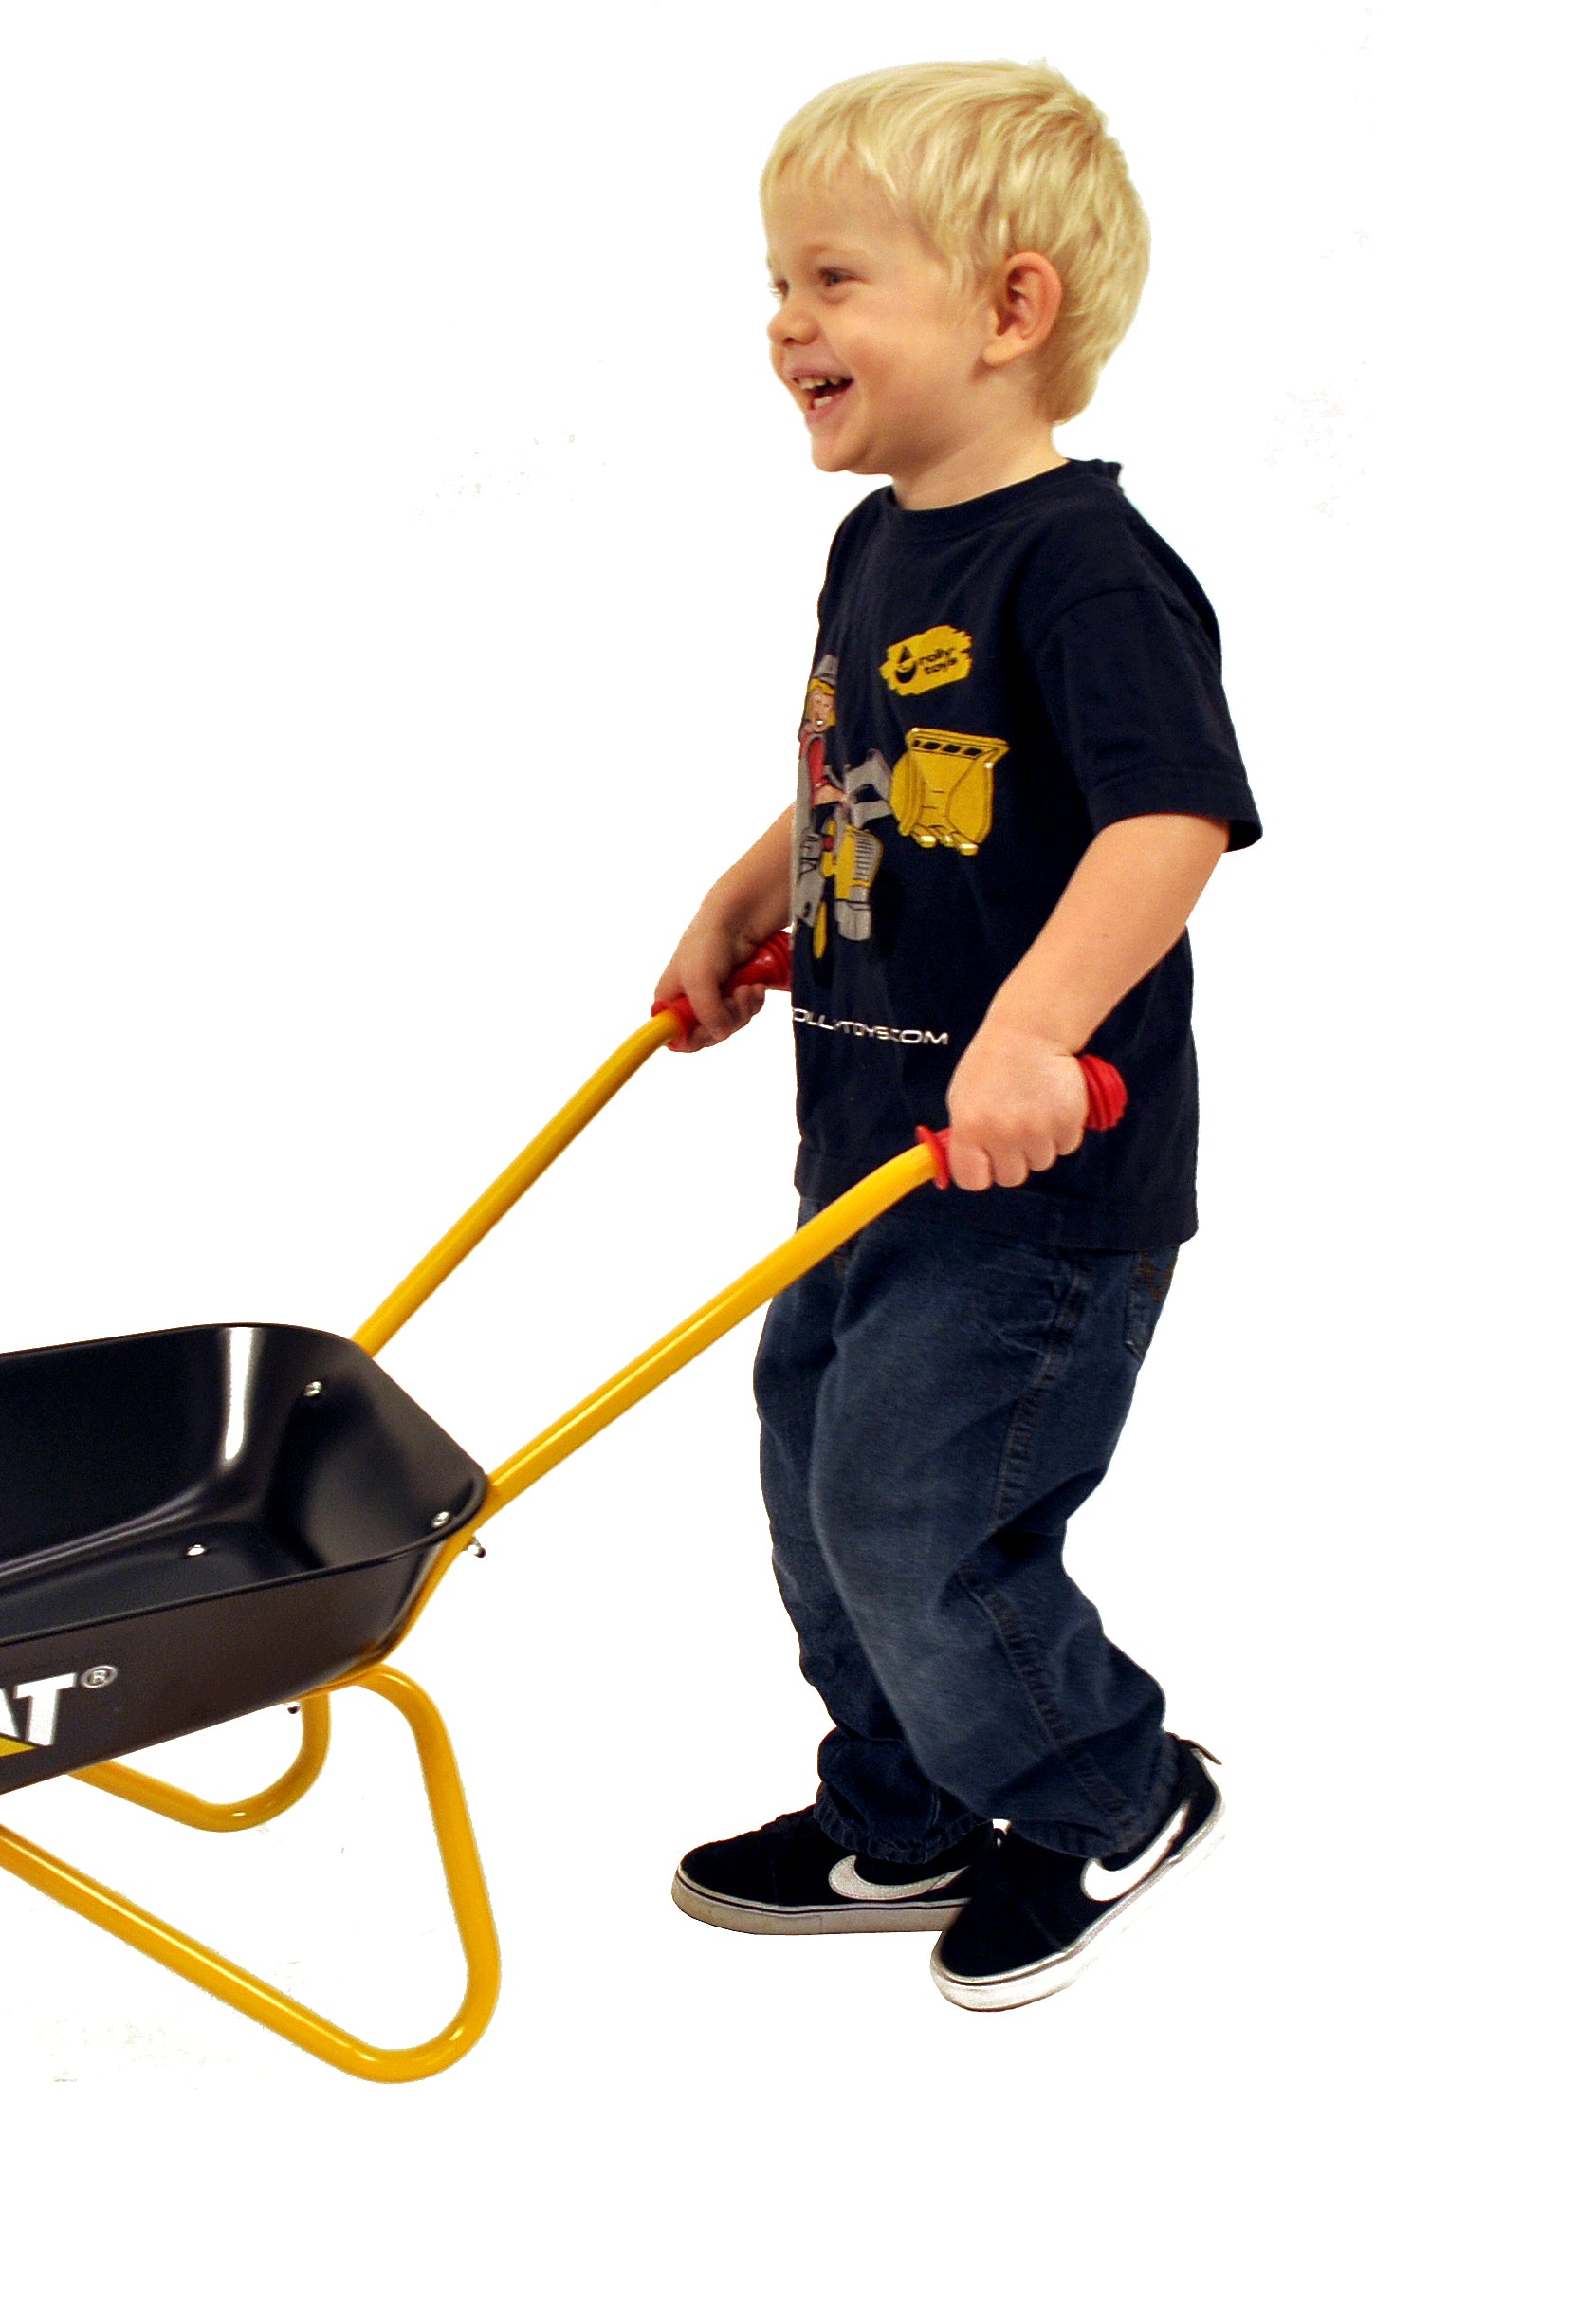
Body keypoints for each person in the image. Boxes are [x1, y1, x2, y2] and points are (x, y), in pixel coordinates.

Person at [654, 60, 1260, 2011]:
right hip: (871, 1156)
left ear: (1010, 310)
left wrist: (1030, 1026)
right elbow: (865, 773)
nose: (784, 325)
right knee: (816, 1476)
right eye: (777, 283)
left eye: (832, 281)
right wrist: (751, 892)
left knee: (917, 1508)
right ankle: (899, 1811)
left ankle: (1101, 1783)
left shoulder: (1084, 565)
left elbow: (1171, 819)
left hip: (1034, 1184)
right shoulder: (878, 545)